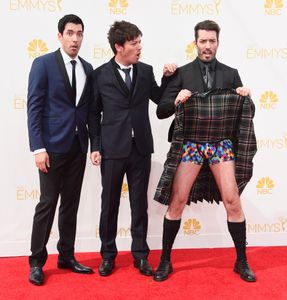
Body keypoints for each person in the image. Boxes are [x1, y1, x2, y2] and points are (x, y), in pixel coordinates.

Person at [153, 20, 257, 282]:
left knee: (233, 201)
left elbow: (248, 113)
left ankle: (241, 261)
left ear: (218, 43)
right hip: (191, 143)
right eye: (203, 41)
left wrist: (246, 96)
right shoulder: (181, 73)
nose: (207, 46)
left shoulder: (231, 73)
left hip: (221, 143)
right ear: (195, 43)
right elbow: (161, 110)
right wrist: (177, 98)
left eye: (212, 41)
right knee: (177, 201)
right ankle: (165, 260)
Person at [88, 20, 176, 277]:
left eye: (140, 42)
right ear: (119, 47)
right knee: (109, 204)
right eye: (134, 43)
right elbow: (93, 113)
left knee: (140, 204)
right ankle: (107, 255)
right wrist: (96, 145)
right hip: (112, 149)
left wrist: (168, 77)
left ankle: (140, 255)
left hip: (141, 149)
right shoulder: (100, 74)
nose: (139, 47)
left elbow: (160, 99)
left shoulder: (146, 71)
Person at [27, 14, 94, 286]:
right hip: (51, 148)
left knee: (70, 205)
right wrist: (38, 148)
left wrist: (94, 145)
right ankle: (36, 262)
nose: (75, 39)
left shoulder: (88, 68)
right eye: (69, 33)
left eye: (79, 33)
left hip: (78, 147)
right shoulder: (43, 64)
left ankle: (66, 255)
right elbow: (34, 108)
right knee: (47, 204)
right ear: (59, 36)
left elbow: (87, 110)